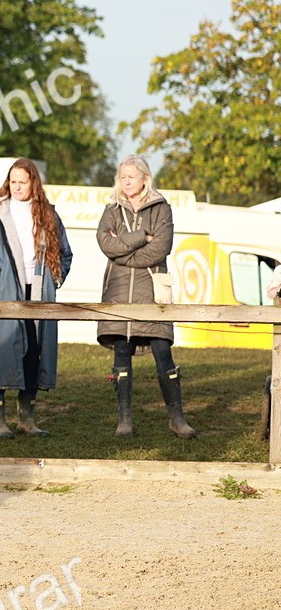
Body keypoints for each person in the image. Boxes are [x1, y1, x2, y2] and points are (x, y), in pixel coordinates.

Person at [0, 158, 72, 438]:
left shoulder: (48, 214)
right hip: (5, 295)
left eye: (22, 182)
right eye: (12, 181)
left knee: (33, 354)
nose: (16, 187)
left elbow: (64, 254)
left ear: (33, 183)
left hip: (38, 295)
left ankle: (27, 419)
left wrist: (56, 278)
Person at [96, 155, 196, 438]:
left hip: (152, 294)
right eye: (122, 176)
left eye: (131, 176)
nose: (126, 181)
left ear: (144, 178)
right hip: (118, 293)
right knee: (122, 352)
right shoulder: (112, 209)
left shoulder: (162, 208)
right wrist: (142, 236)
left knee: (163, 352)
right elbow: (106, 243)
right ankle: (124, 420)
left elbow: (161, 248)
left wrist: (124, 252)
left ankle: (177, 419)